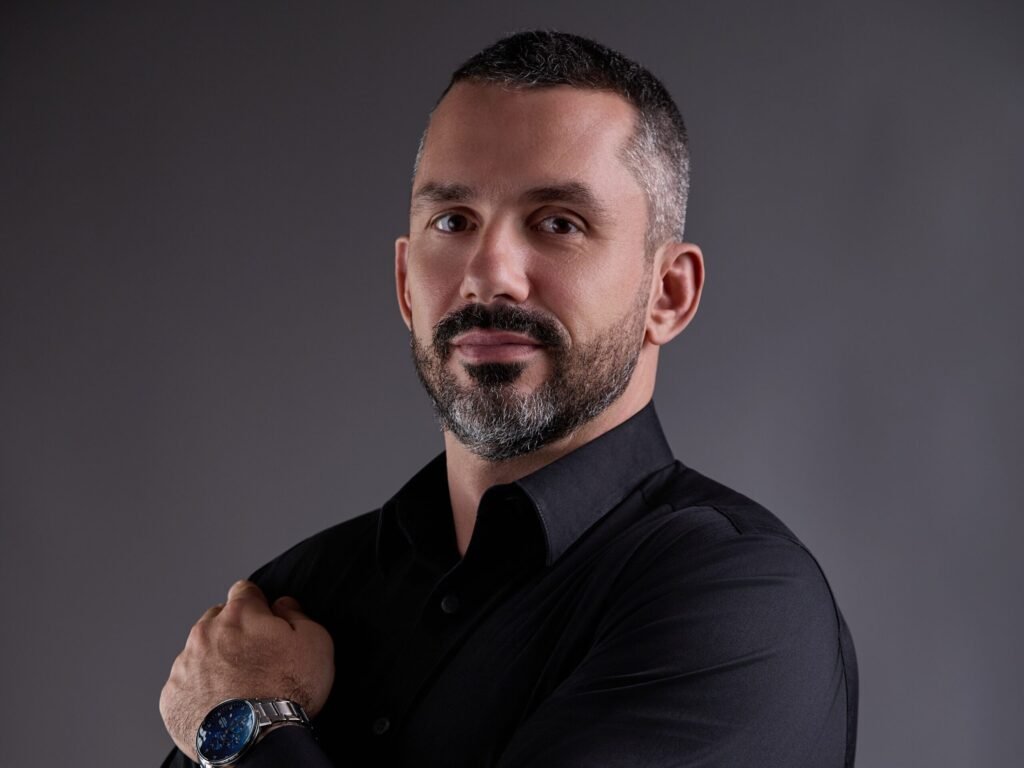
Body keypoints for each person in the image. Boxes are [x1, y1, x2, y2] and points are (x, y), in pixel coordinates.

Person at [159, 30, 858, 768]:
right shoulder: (295, 595)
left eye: (558, 223)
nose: (488, 272)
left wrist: (247, 725)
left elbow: (237, 721)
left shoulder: (745, 606)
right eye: (453, 221)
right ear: (405, 284)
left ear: (668, 293)